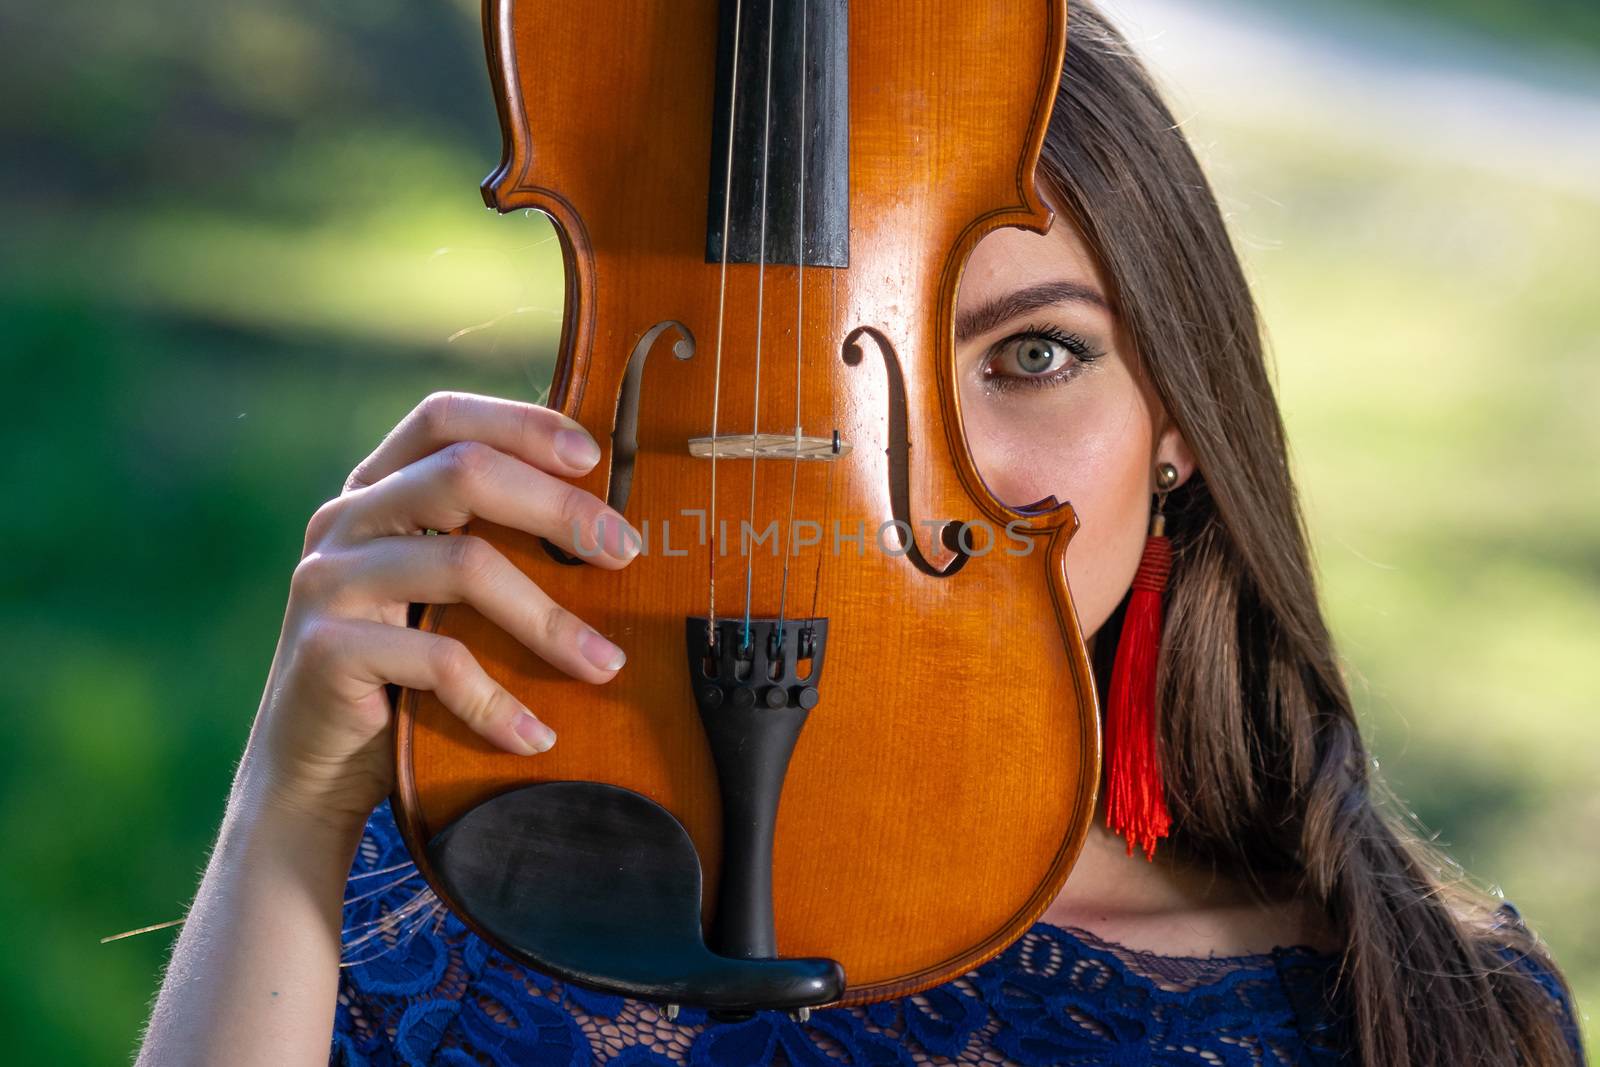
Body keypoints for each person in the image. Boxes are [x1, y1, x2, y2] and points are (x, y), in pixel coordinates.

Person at [135, 3, 1585, 1064]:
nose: (836, 471)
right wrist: (292, 807)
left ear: (1179, 422)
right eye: (774, 373)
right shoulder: (468, 871)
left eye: (1033, 357)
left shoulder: (1433, 1014)